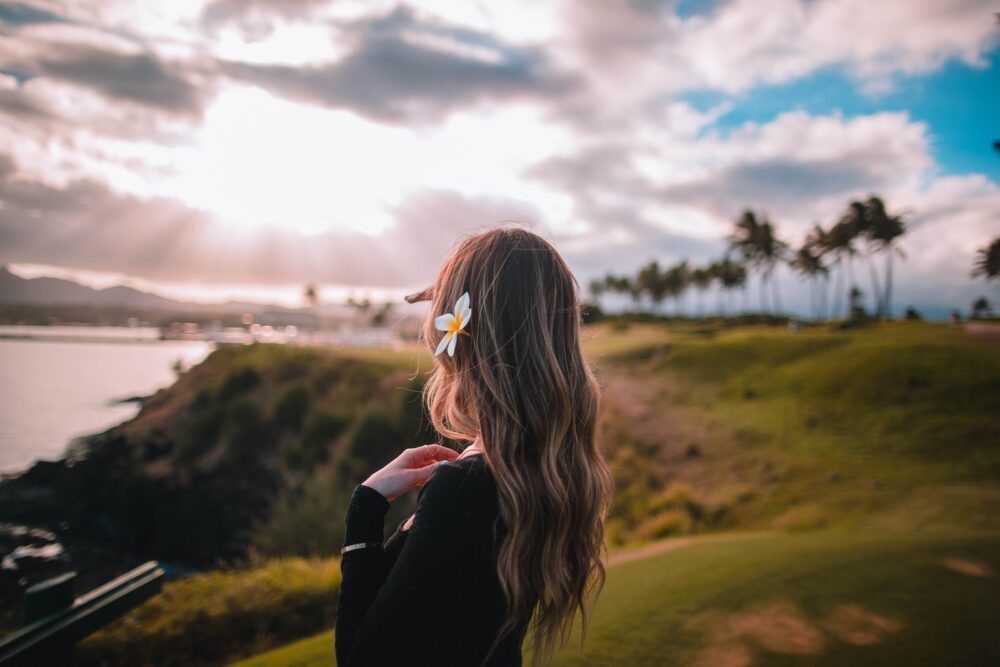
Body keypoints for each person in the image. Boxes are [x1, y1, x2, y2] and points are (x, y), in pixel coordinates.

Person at [335, 227, 615, 666]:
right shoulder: (540, 468)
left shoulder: (465, 489)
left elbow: (360, 659)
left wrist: (365, 509)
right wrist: (460, 293)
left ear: (463, 334)